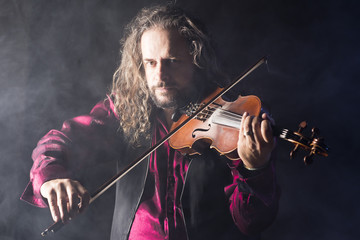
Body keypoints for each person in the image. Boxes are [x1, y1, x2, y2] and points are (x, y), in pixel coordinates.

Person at [21, 4, 279, 240]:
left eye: (173, 62)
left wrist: (254, 169)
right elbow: (62, 140)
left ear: (197, 60)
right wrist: (50, 180)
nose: (160, 76)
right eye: (150, 63)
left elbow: (251, 223)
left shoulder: (230, 120)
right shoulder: (125, 109)